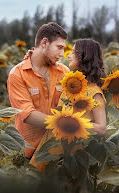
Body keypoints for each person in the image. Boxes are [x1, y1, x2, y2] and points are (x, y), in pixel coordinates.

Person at [29, 38, 107, 173]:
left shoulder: (95, 93)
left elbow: (101, 128)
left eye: (73, 52)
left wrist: (75, 123)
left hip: (70, 152)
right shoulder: (70, 84)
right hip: (50, 145)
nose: (68, 55)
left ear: (84, 57)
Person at [7, 22, 69, 160]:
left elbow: (72, 104)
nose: (62, 54)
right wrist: (64, 125)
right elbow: (26, 114)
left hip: (58, 152)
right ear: (45, 42)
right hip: (30, 153)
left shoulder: (64, 72)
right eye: (59, 47)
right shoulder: (17, 74)